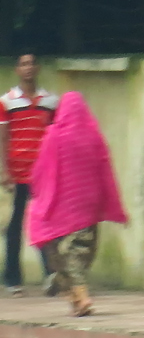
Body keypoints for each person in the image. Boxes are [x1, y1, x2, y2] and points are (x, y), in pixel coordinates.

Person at [25, 93, 126, 317]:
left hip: (60, 207)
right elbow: (105, 170)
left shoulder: (55, 135)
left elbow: (42, 170)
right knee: (81, 253)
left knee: (64, 253)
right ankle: (74, 297)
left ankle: (78, 294)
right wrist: (107, 201)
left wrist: (40, 195)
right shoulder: (94, 136)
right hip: (88, 206)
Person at [1, 53, 59, 295]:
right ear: (17, 69)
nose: (28, 68)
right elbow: (3, 137)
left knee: (45, 224)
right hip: (16, 173)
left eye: (32, 63)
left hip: (42, 174)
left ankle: (51, 276)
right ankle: (12, 279)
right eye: (23, 64)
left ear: (38, 67)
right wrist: (3, 170)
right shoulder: (6, 101)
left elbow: (56, 137)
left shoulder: (51, 101)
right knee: (14, 226)